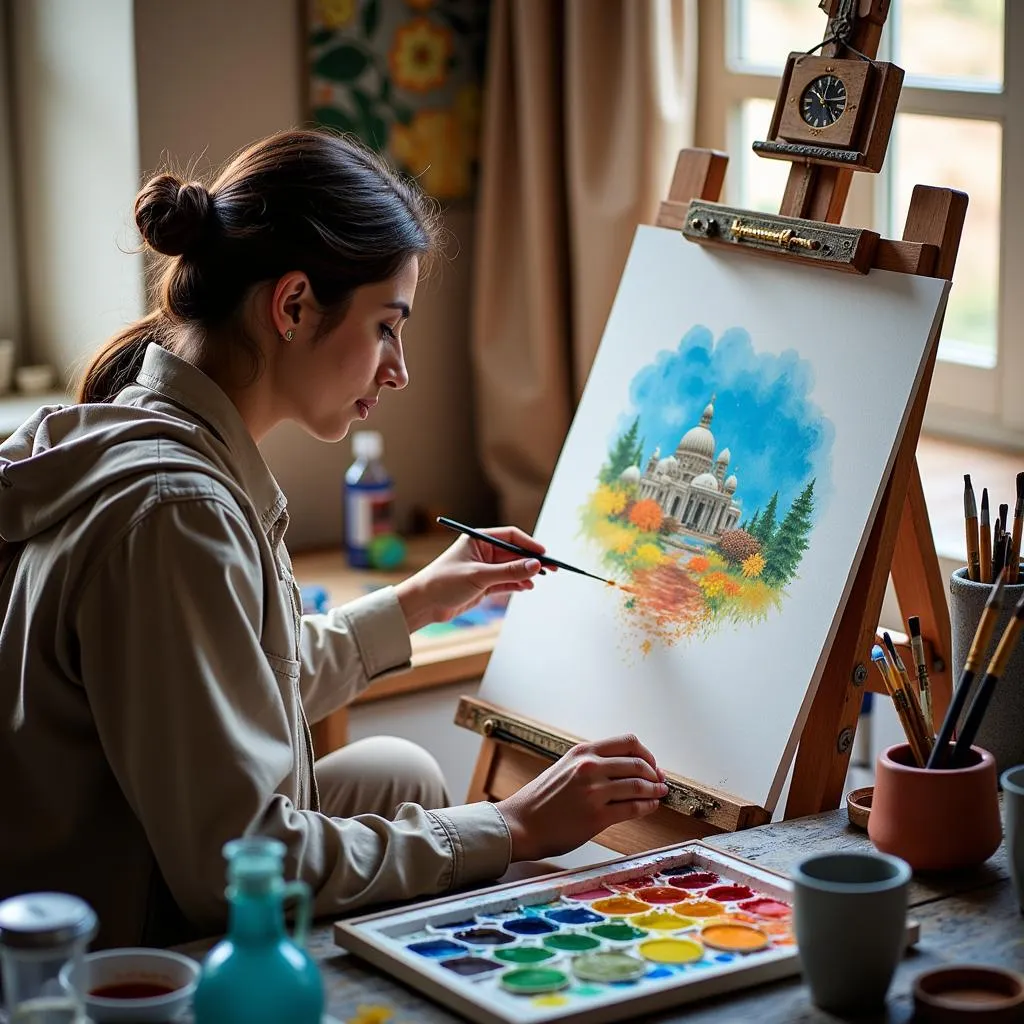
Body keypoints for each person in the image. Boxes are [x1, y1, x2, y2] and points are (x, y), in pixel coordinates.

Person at [0, 129, 666, 949]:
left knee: (400, 772)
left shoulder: (154, 436)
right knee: (456, 829)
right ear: (291, 306)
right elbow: (232, 868)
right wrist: (512, 827)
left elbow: (233, 681)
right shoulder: (177, 512)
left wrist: (421, 597)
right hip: (120, 940)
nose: (399, 369)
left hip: (138, 852)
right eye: (388, 325)